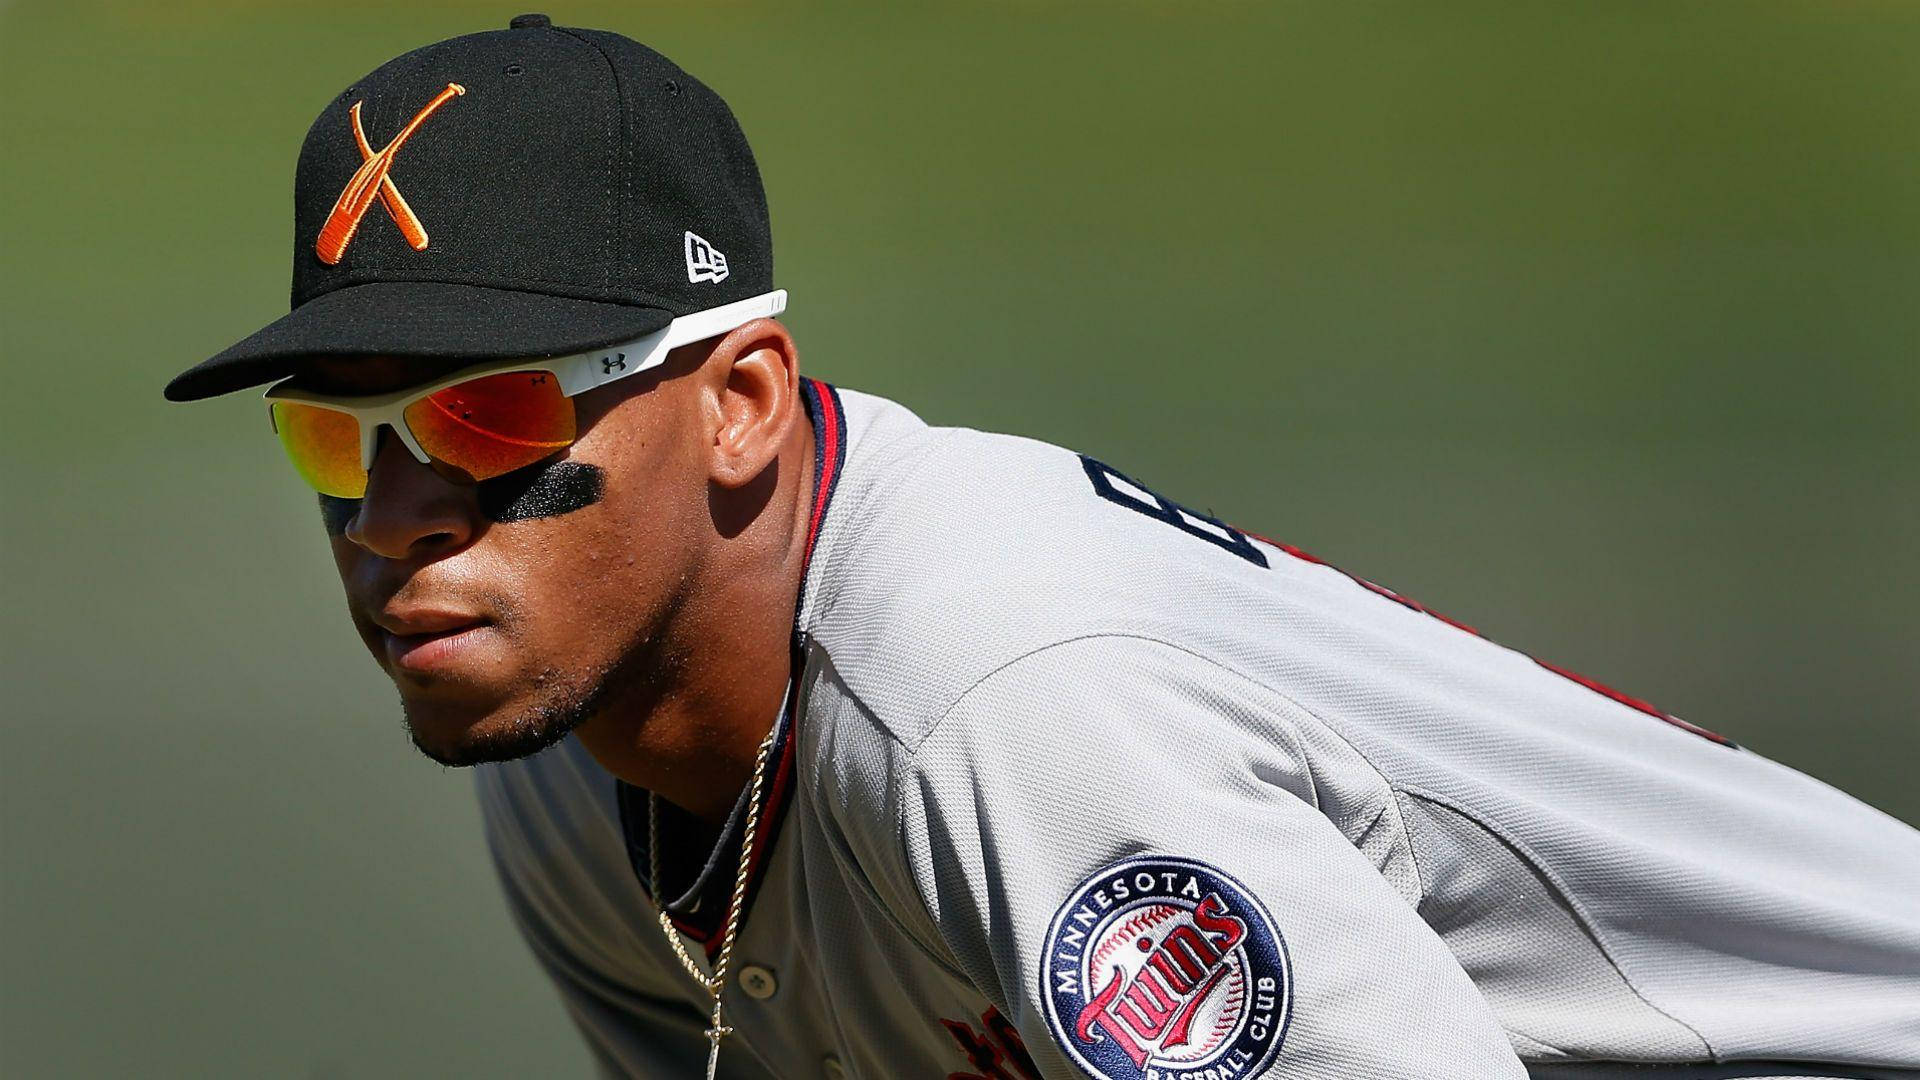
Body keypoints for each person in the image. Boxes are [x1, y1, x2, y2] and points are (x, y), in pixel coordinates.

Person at [165, 15, 1920, 1080]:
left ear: (742, 402)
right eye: (338, 431)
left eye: (492, 418)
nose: (397, 515)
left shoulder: (1009, 705)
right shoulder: (571, 769)